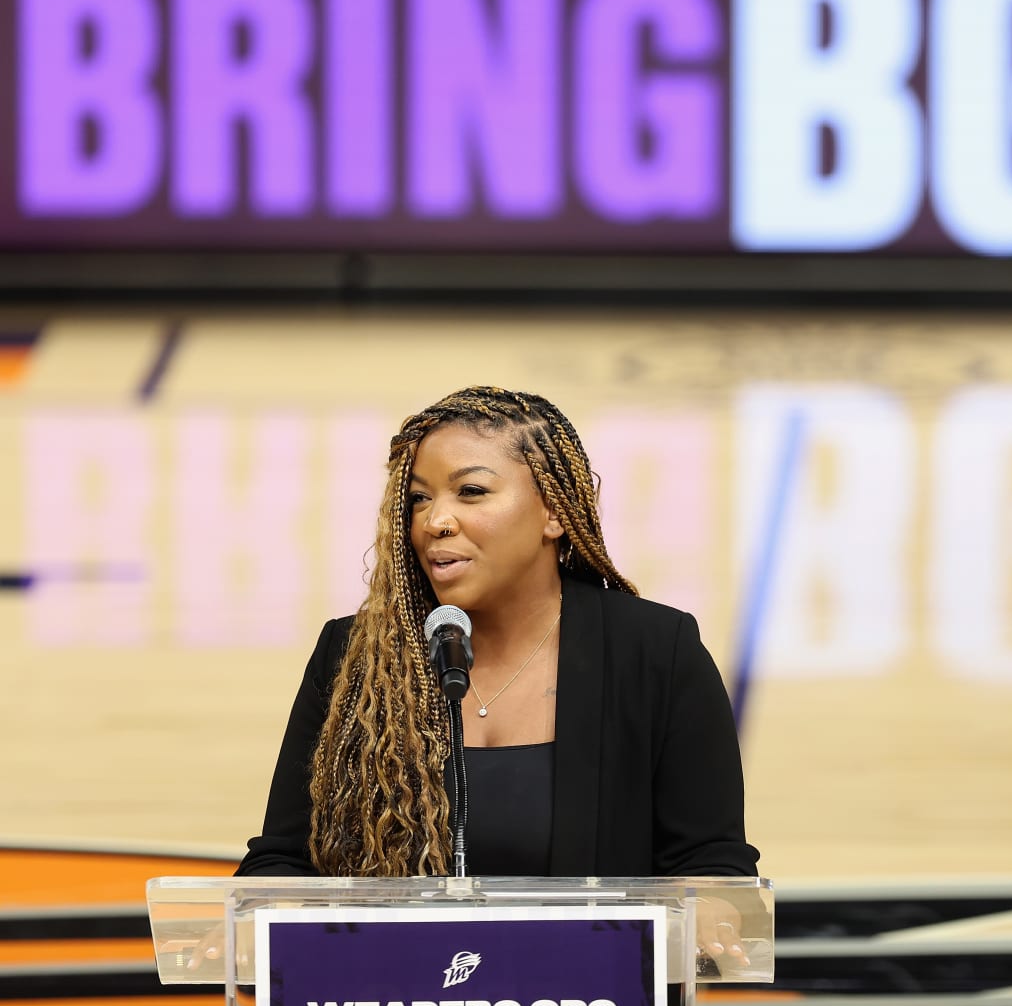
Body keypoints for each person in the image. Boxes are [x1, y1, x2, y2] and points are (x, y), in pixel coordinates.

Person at [238, 386, 758, 967]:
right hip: (390, 997)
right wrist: (256, 914)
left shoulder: (654, 651)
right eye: (417, 499)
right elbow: (284, 857)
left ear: (555, 510)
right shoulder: (355, 654)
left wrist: (712, 906)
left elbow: (710, 860)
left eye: (471, 492)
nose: (435, 521)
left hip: (584, 999)